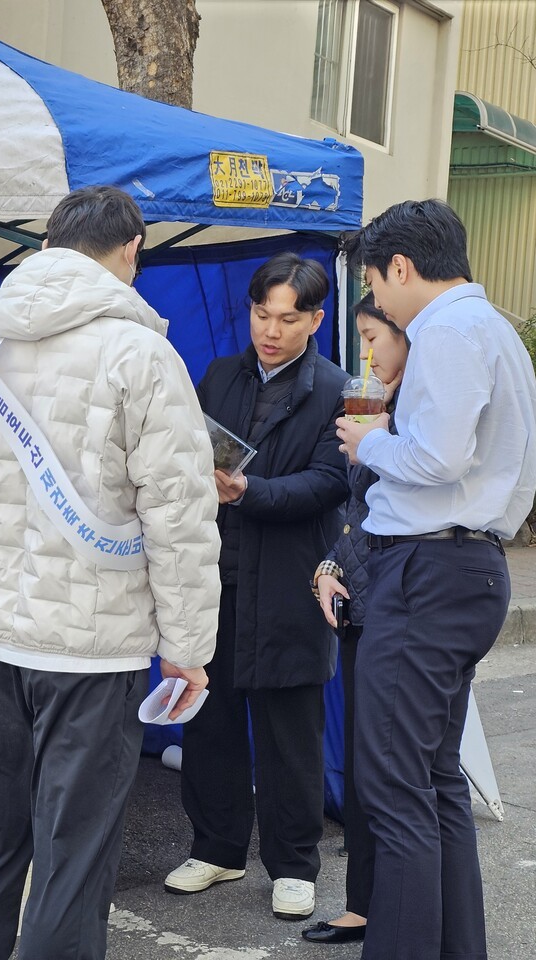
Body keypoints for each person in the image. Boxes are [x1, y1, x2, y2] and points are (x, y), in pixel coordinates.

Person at [0, 185, 220, 960]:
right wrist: (188, 647)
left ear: (49, 243)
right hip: (92, 643)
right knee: (74, 852)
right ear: (130, 249)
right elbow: (180, 515)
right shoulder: (141, 353)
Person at [335, 199, 536, 960]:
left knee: (395, 790)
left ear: (401, 267)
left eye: (377, 290)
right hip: (469, 567)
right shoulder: (498, 332)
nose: (378, 306)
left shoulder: (447, 331)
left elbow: (435, 457)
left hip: (427, 570)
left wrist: (370, 440)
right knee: (434, 779)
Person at [167, 252, 349, 921]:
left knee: (289, 735)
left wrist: (249, 489)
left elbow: (334, 482)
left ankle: (294, 865)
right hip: (218, 577)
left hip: (290, 585)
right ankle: (215, 848)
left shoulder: (337, 389)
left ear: (315, 319)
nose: (269, 330)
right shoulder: (218, 375)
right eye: (260, 314)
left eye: (286, 318)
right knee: (209, 723)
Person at [303, 294, 408, 945]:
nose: (367, 355)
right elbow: (359, 516)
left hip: (401, 608)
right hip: (360, 602)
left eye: (373, 337)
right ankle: (365, 903)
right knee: (371, 762)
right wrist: (326, 567)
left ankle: (389, 907)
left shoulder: (420, 420)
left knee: (397, 768)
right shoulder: (379, 409)